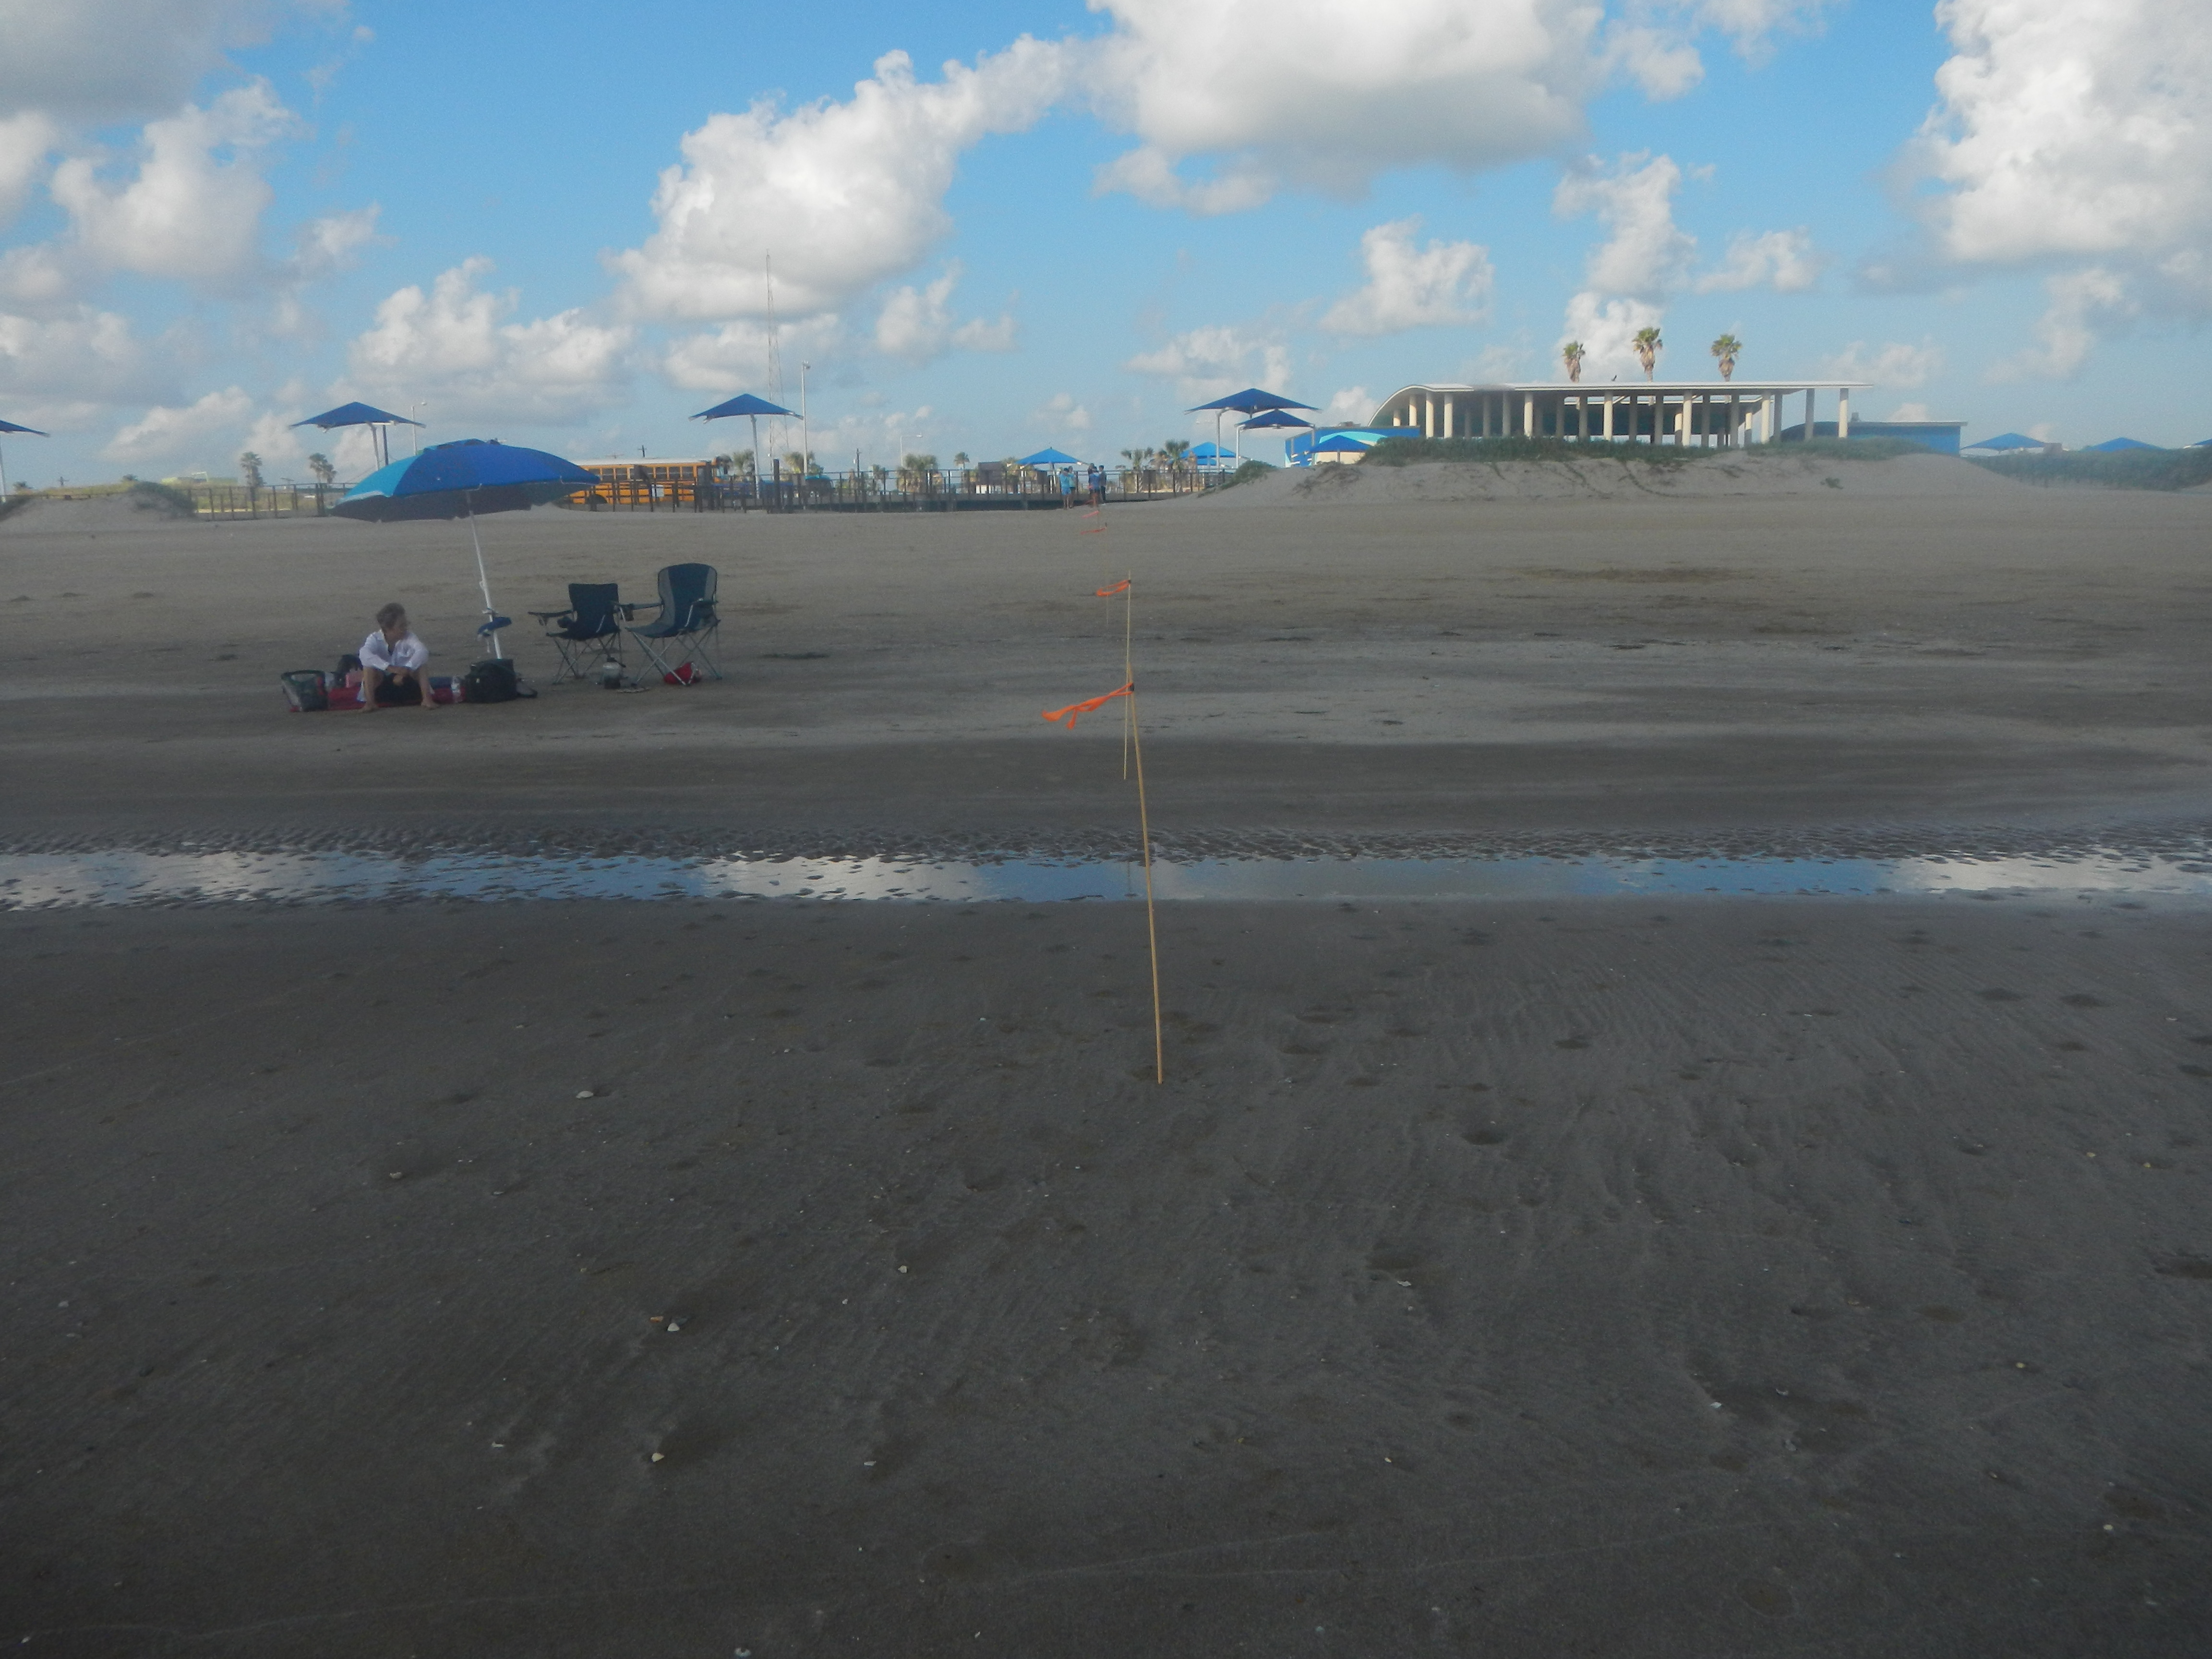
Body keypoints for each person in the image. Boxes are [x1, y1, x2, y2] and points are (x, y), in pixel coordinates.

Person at [359, 602, 434, 711]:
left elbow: (422, 651)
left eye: (406, 624)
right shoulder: (374, 639)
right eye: (402, 626)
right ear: (389, 628)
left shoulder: (409, 637)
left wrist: (407, 669)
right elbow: (364, 654)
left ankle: (427, 699)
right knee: (369, 667)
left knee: (421, 665)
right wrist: (390, 668)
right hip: (382, 686)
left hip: (406, 682)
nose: (406, 628)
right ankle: (370, 703)